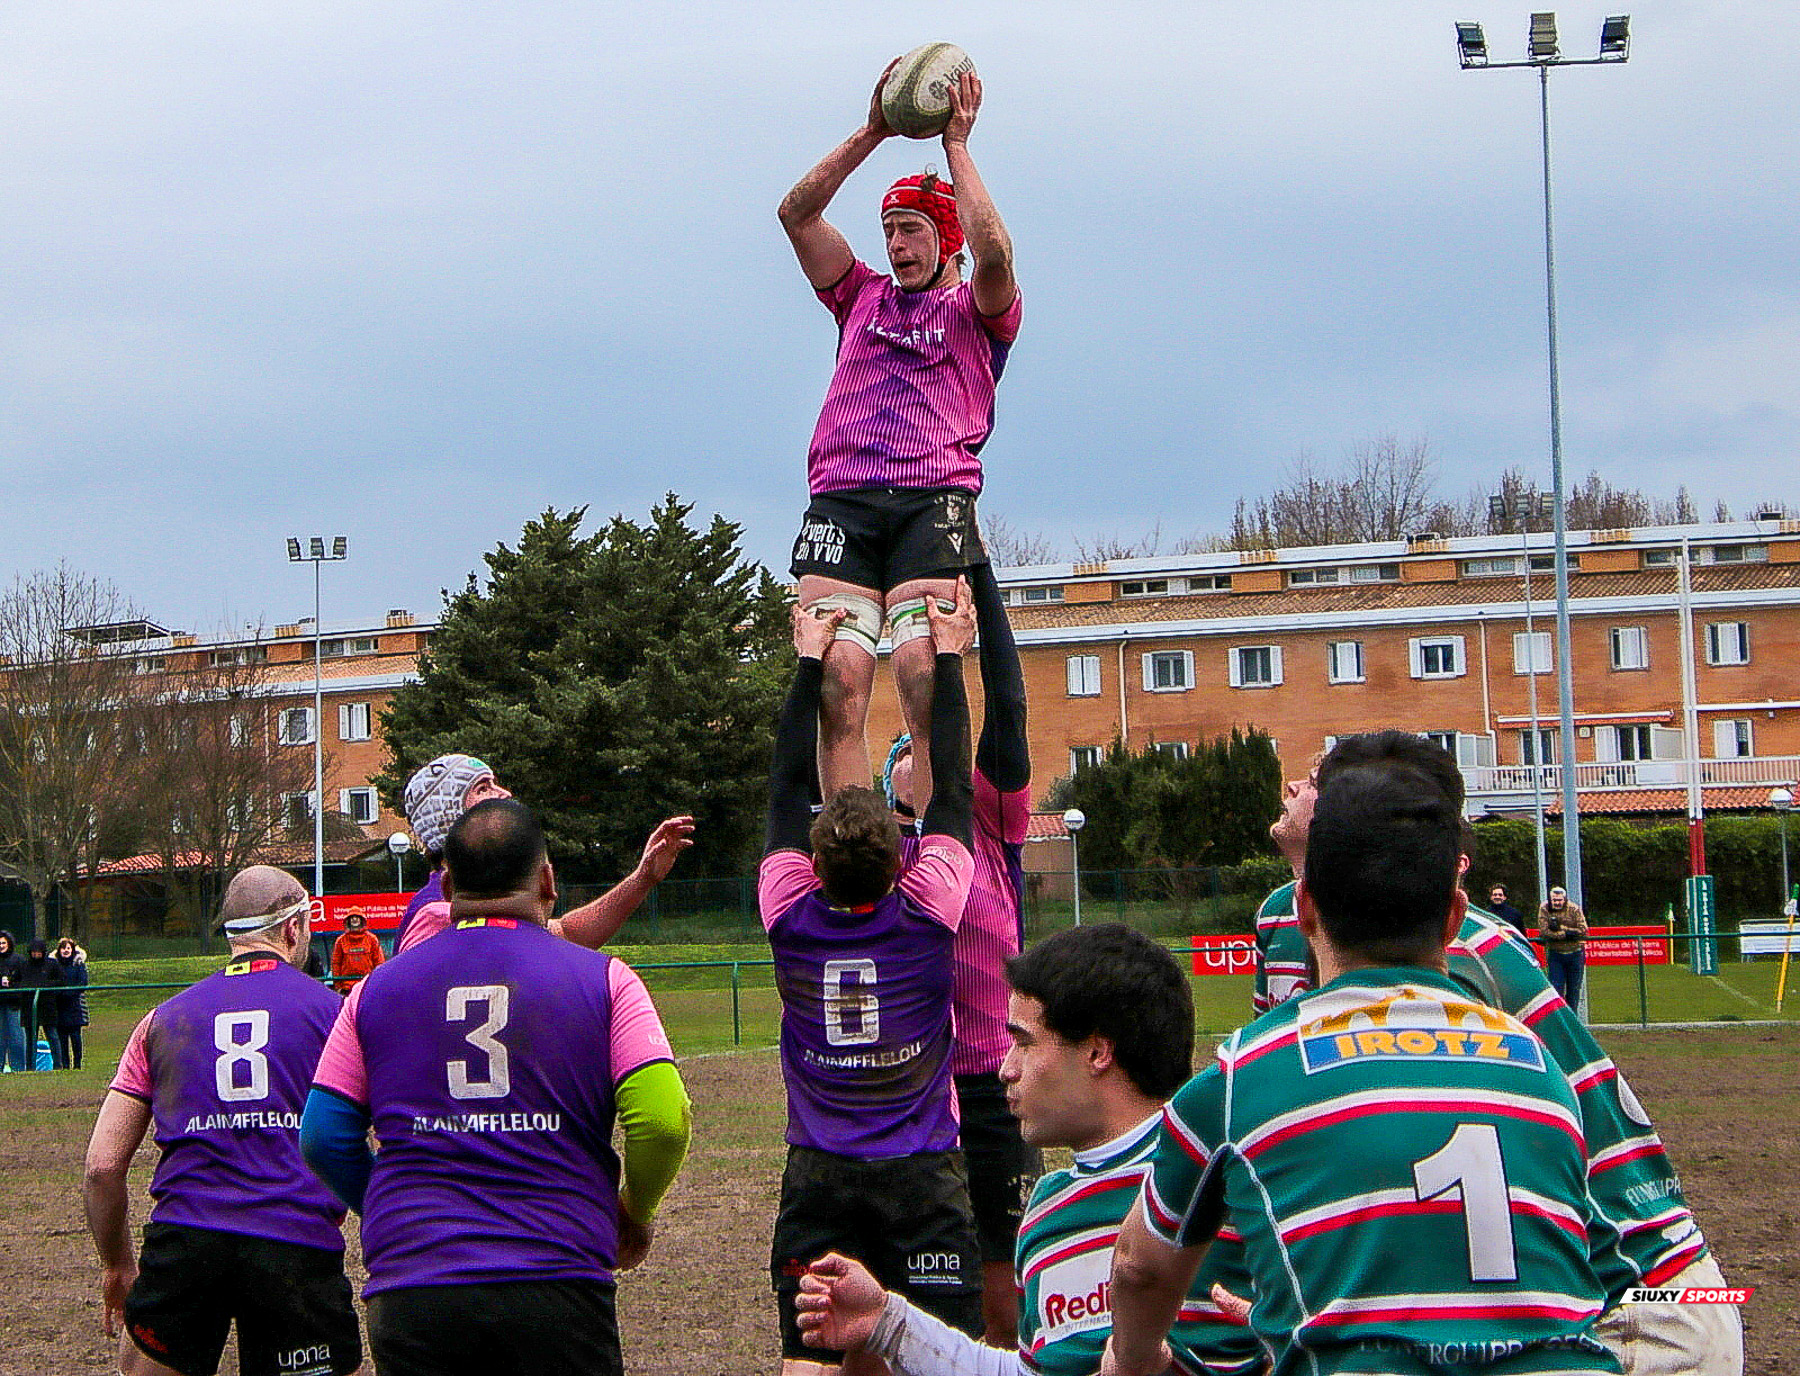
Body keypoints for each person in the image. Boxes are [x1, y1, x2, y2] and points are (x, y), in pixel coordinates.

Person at [1102, 759, 1620, 1376]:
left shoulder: (1240, 1078)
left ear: (1305, 911)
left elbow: (1139, 1267)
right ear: (1456, 918)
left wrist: (1133, 1360)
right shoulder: (1542, 1071)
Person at [1253, 732, 1739, 1375]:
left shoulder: (1451, 956)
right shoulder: (1289, 922)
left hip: (1634, 1300)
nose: (1293, 786)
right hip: (1595, 1289)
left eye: (1316, 780)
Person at [301, 798, 692, 1376]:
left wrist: (392, 1207)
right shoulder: (607, 981)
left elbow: (324, 1135)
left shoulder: (373, 991)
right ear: (548, 880)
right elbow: (662, 1117)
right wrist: (633, 1213)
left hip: (414, 1287)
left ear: (449, 883)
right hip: (558, 1275)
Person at [792, 923, 1263, 1376]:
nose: (1006, 1069)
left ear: (1099, 1052)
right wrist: (887, 1322)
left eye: (1023, 1042)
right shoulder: (1046, 1210)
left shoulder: (1228, 1179)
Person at [779, 60, 1020, 809]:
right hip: (843, 504)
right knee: (838, 683)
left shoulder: (978, 313)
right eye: (888, 231)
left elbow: (996, 256)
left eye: (910, 229)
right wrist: (875, 131)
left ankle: (936, 836)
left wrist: (957, 147)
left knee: (923, 671)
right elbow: (797, 213)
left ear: (943, 236)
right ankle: (849, 846)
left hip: (930, 502)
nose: (895, 245)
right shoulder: (859, 296)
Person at [762, 582, 984, 1375]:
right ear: (905, 859)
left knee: (811, 1353)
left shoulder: (789, 912)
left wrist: (807, 661)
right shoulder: (928, 911)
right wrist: (950, 654)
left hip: (820, 1170)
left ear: (811, 865)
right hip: (922, 1171)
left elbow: (786, 787)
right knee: (942, 1355)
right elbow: (952, 784)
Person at [82, 867, 362, 1376]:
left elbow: (102, 1166)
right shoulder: (336, 1015)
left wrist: (117, 1264)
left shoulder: (162, 1020)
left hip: (186, 1239)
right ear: (293, 930)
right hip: (295, 1242)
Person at [884, 562, 1041, 1346]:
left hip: (988, 1083)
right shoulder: (883, 856)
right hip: (909, 1090)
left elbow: (1006, 709)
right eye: (901, 755)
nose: (918, 754)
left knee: (1001, 1282)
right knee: (912, 1283)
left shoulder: (990, 826)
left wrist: (977, 576)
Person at [396, 751, 694, 953]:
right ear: (446, 814)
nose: (505, 794)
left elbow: (567, 933)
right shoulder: (436, 915)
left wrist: (642, 879)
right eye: (484, 787)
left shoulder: (480, 899)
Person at [18, 937, 66, 1068]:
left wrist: (47, 987)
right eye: (33, 952)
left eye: (38, 952)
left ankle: (58, 1065)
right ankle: (30, 1066)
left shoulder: (52, 964)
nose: (36, 954)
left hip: (47, 1006)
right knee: (30, 1039)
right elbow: (16, 982)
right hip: (29, 1007)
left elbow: (61, 980)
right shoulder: (24, 965)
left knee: (52, 1035)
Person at [1540, 885, 1589, 1005]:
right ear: (1550, 899)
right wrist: (1565, 935)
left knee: (1574, 990)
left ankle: (1572, 1019)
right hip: (1556, 954)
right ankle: (1559, 1020)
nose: (1557, 903)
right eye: (1554, 900)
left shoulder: (1574, 909)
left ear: (1565, 899)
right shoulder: (1544, 908)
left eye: (1559, 900)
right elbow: (1544, 931)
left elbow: (1583, 930)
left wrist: (1563, 929)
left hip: (1575, 953)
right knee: (1556, 990)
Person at [328, 910, 385, 996]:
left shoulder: (372, 939)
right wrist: (338, 986)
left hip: (367, 986)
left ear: (362, 920)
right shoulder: (340, 941)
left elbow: (379, 962)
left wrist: (377, 984)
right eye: (352, 917)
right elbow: (336, 964)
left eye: (357, 917)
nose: (354, 919)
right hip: (346, 988)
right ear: (348, 921)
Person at [54, 936, 89, 1069]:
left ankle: (78, 1064)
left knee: (75, 1037)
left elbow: (83, 982)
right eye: (63, 948)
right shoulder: (55, 965)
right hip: (60, 1005)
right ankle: (65, 1064)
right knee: (62, 1038)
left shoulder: (78, 965)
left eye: (68, 948)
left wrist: (71, 993)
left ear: (72, 949)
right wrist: (60, 994)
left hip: (75, 1005)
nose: (66, 951)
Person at [0, 928, 27, 1071]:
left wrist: (12, 984)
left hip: (14, 1004)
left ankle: (18, 1068)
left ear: (9, 943)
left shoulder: (18, 960)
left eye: (3, 943)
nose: (1, 946)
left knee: (16, 1038)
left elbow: (25, 980)